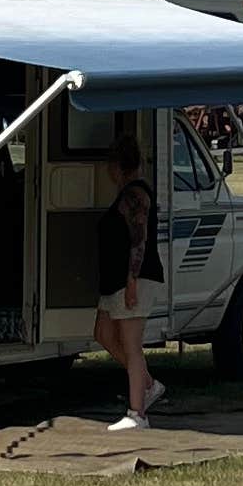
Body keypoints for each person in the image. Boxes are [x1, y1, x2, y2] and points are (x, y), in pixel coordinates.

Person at [92, 129, 167, 429]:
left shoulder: (136, 195)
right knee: (103, 332)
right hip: (113, 281)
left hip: (134, 279)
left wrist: (132, 281)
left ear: (117, 166)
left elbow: (139, 241)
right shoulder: (126, 194)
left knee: (131, 344)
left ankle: (138, 414)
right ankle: (147, 384)